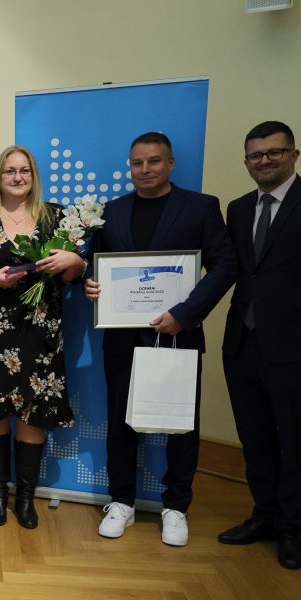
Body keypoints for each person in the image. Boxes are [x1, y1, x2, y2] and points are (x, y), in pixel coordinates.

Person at [84, 132, 236, 547]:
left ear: (170, 163)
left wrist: (184, 315)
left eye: (154, 161)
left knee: (180, 423)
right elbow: (95, 265)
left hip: (177, 335)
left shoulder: (201, 207)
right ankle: (121, 502)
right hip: (121, 337)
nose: (145, 169)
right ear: (130, 166)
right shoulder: (112, 212)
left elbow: (225, 264)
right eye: (137, 163)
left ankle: (176, 506)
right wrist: (90, 284)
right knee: (121, 421)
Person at [0, 145, 84, 529]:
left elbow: (74, 273)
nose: (17, 177)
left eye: (24, 170)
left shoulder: (56, 217)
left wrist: (74, 261)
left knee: (34, 411)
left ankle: (25, 498)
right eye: (9, 171)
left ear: (33, 176)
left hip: (40, 329)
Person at [219, 121, 301, 569]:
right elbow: (229, 269)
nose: (264, 161)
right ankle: (265, 515)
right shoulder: (238, 208)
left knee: (294, 441)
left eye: (274, 152)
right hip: (243, 344)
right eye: (255, 155)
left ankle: (293, 527)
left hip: (293, 347)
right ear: (247, 162)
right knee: (254, 438)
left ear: (294, 155)